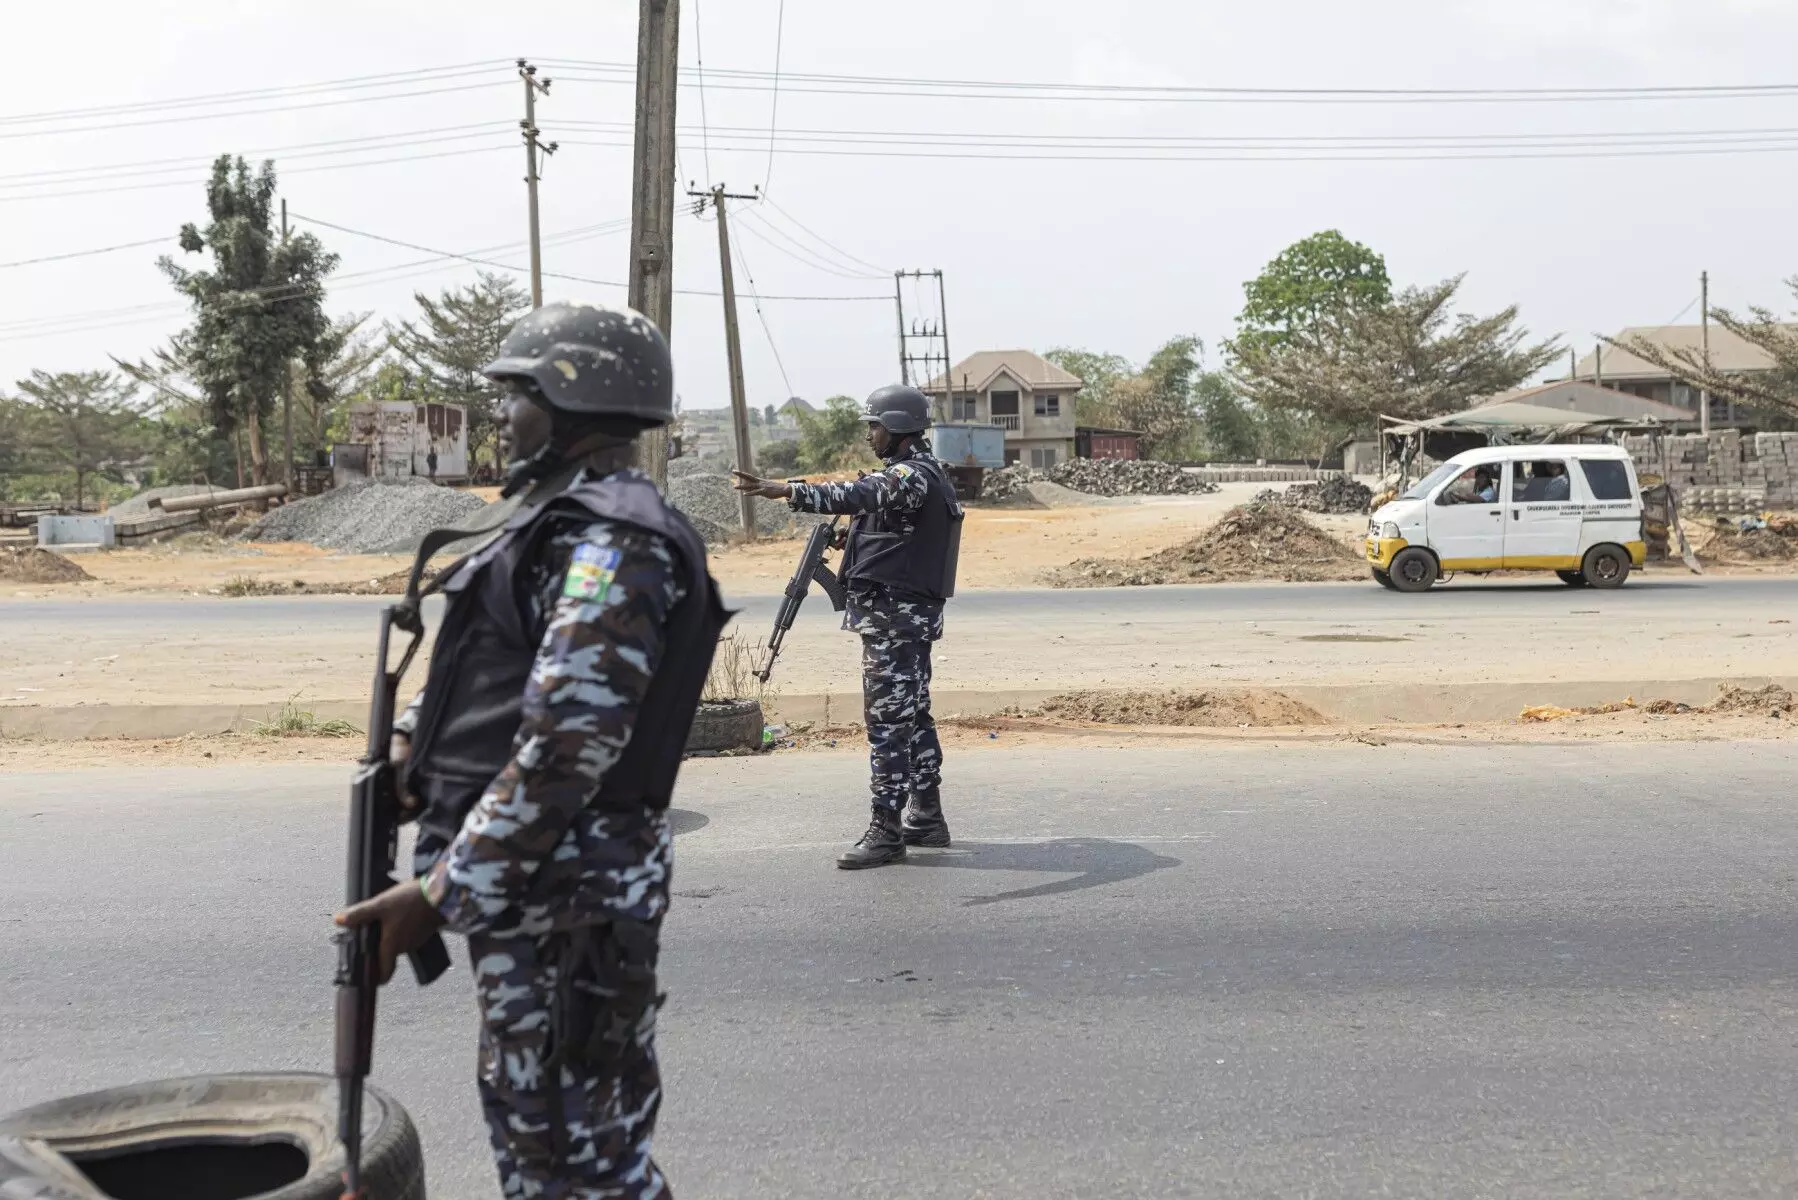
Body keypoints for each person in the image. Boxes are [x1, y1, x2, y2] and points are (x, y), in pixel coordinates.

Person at [335, 301, 727, 1200]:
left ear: (572, 399)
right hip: (537, 893)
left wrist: (436, 896)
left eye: (518, 397)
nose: (503, 419)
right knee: (550, 1151)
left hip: (567, 901)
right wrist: (410, 750)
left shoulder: (610, 540)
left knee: (577, 1168)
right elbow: (491, 664)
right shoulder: (546, 521)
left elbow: (566, 748)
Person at [730, 384, 963, 869]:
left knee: (887, 723)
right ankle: (927, 815)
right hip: (903, 616)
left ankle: (886, 829)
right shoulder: (923, 474)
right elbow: (888, 520)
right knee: (912, 715)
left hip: (896, 620)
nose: (869, 433)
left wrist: (789, 490)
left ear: (897, 428)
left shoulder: (910, 476)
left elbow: (863, 493)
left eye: (874, 424)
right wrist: (850, 537)